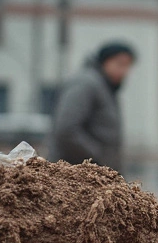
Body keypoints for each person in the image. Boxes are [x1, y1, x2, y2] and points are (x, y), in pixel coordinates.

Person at [48, 41, 136, 170]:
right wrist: (99, 156)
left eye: (127, 66)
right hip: (74, 174)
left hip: (94, 173)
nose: (124, 71)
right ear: (105, 61)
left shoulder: (105, 87)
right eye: (120, 64)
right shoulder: (85, 84)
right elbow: (66, 130)